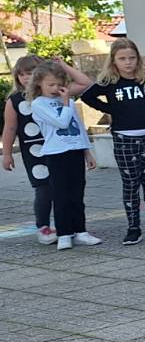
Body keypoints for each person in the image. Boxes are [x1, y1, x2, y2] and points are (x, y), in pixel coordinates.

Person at [79, 37, 145, 245]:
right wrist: (110, 109)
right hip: (124, 139)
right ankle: (133, 227)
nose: (128, 62)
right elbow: (87, 97)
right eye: (122, 59)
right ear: (114, 60)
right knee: (131, 183)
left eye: (132, 58)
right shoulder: (109, 82)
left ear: (138, 59)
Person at [2, 56, 93, 244]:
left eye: (31, 73)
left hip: (63, 146)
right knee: (44, 189)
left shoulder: (58, 93)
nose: (26, 77)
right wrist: (7, 153)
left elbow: (85, 83)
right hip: (34, 150)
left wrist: (63, 66)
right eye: (21, 74)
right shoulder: (16, 100)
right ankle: (43, 226)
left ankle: (73, 228)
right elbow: (10, 128)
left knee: (69, 189)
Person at [27, 61, 102, 250]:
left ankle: (81, 231)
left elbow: (79, 128)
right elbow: (61, 122)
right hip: (56, 153)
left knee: (77, 193)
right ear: (39, 84)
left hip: (75, 151)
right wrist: (67, 101)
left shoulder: (67, 100)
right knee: (60, 195)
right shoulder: (38, 104)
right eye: (50, 84)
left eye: (58, 84)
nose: (55, 89)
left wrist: (87, 152)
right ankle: (64, 233)